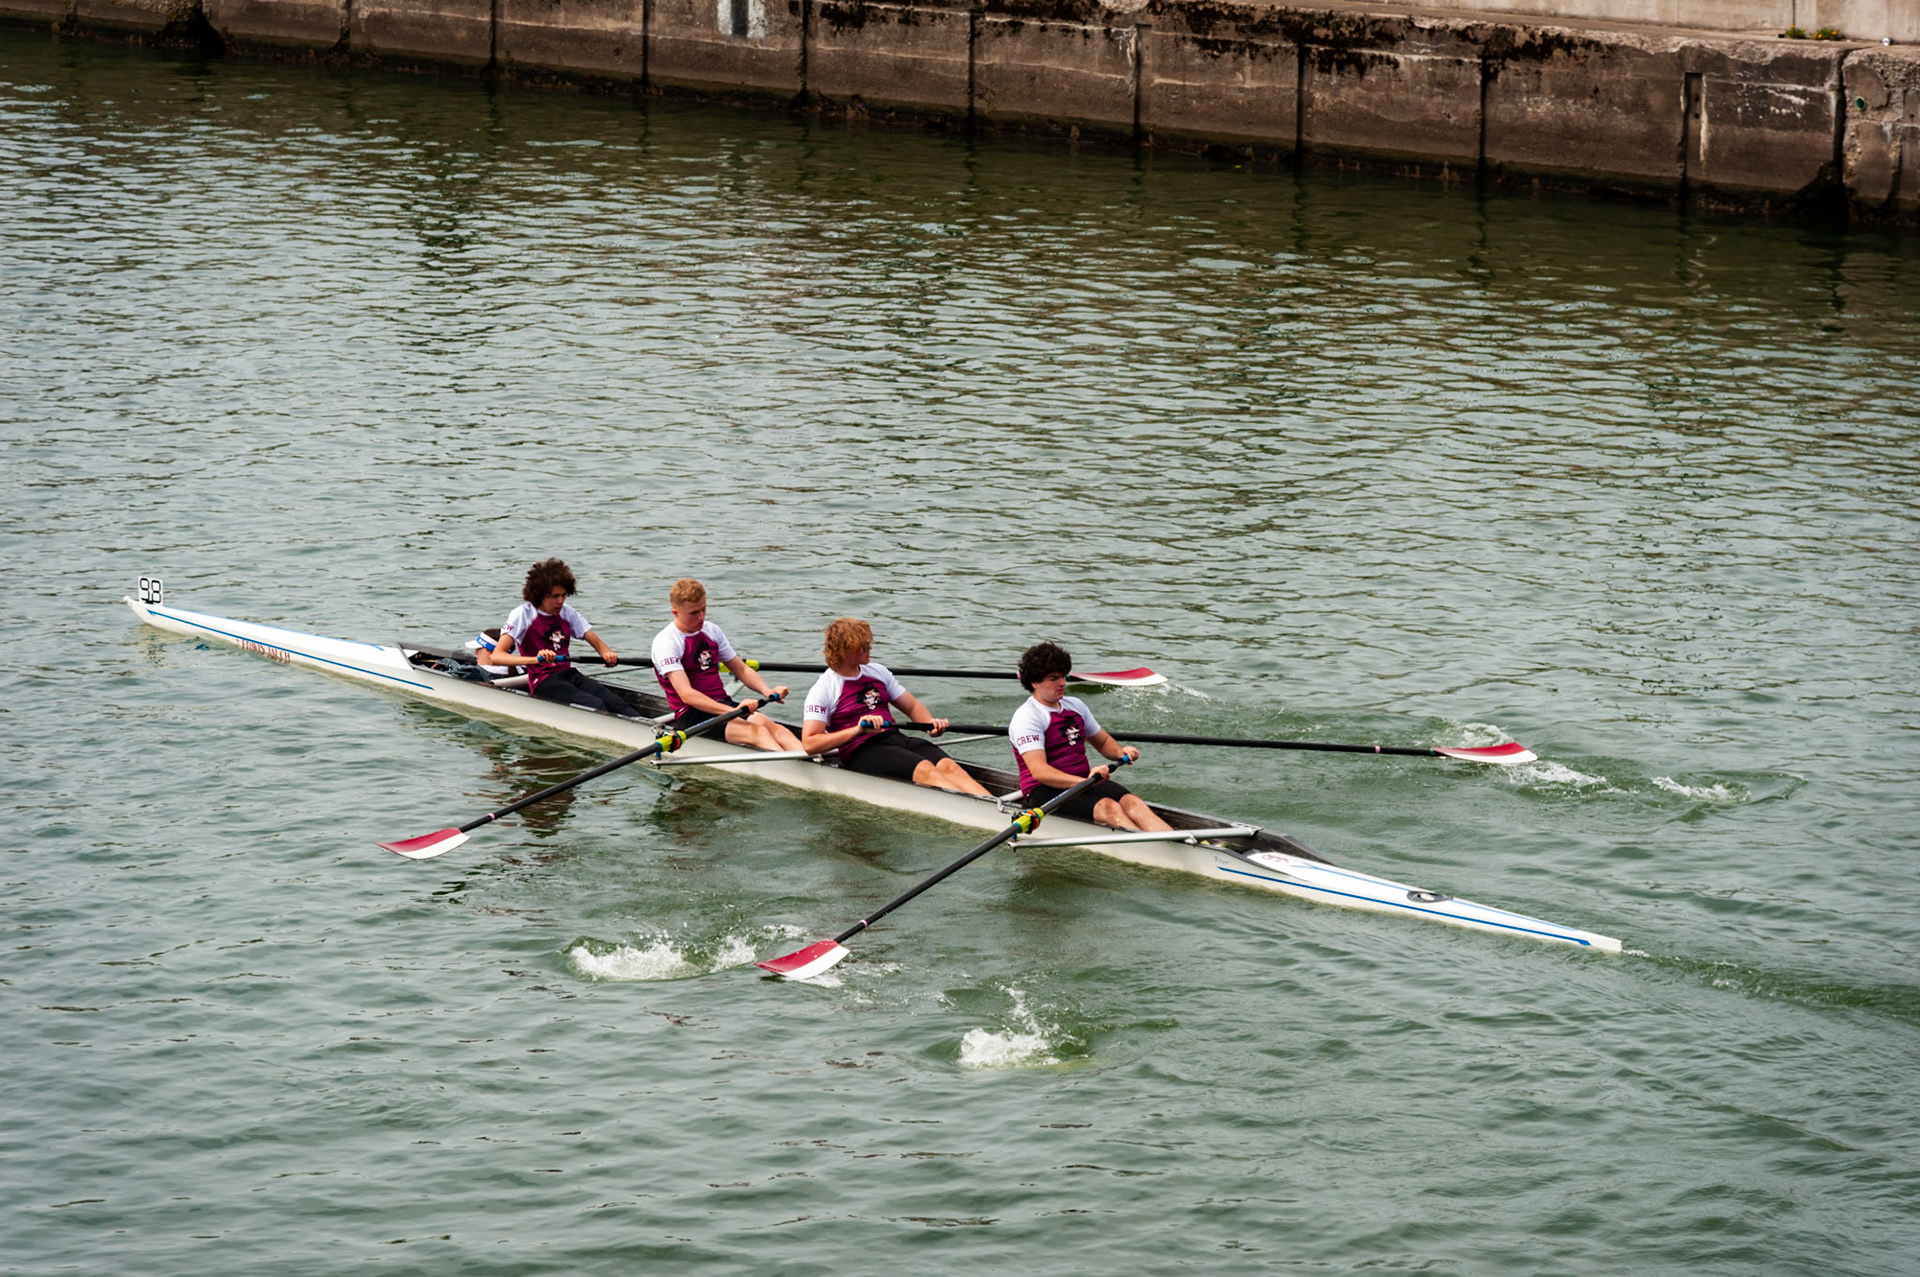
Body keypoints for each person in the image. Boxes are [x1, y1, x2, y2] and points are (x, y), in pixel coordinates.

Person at [801, 617, 993, 796]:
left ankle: (997, 808)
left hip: (894, 738)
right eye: (864, 645)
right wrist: (857, 730)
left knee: (949, 767)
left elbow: (912, 706)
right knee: (926, 769)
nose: (870, 648)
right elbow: (810, 743)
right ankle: (981, 813)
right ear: (846, 650)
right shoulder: (824, 688)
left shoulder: (878, 672)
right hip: (861, 750)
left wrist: (931, 726)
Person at [1008, 641, 1171, 831]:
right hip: (1043, 791)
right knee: (1108, 807)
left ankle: (1181, 842)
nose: (1062, 683)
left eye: (1064, 676)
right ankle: (1148, 846)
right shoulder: (1027, 717)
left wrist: (1121, 752)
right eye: (1054, 678)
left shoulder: (1075, 706)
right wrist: (1084, 782)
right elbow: (1040, 772)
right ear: (1034, 682)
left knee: (1133, 803)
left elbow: (1102, 742)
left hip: (1083, 781)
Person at [651, 578, 801, 752]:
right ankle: (787, 766)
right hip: (692, 714)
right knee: (758, 733)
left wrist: (767, 691)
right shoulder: (667, 642)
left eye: (703, 609)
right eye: (693, 613)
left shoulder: (711, 631)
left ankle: (812, 760)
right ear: (675, 613)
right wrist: (732, 711)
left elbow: (742, 669)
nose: (701, 617)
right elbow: (687, 695)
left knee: (776, 729)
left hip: (722, 704)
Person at [479, 558, 639, 718]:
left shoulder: (568, 613)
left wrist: (607, 655)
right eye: (555, 596)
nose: (560, 601)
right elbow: (497, 656)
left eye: (563, 595)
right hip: (543, 680)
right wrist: (536, 659)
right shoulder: (523, 614)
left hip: (568, 674)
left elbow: (598, 643)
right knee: (596, 705)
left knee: (617, 704)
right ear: (540, 595)